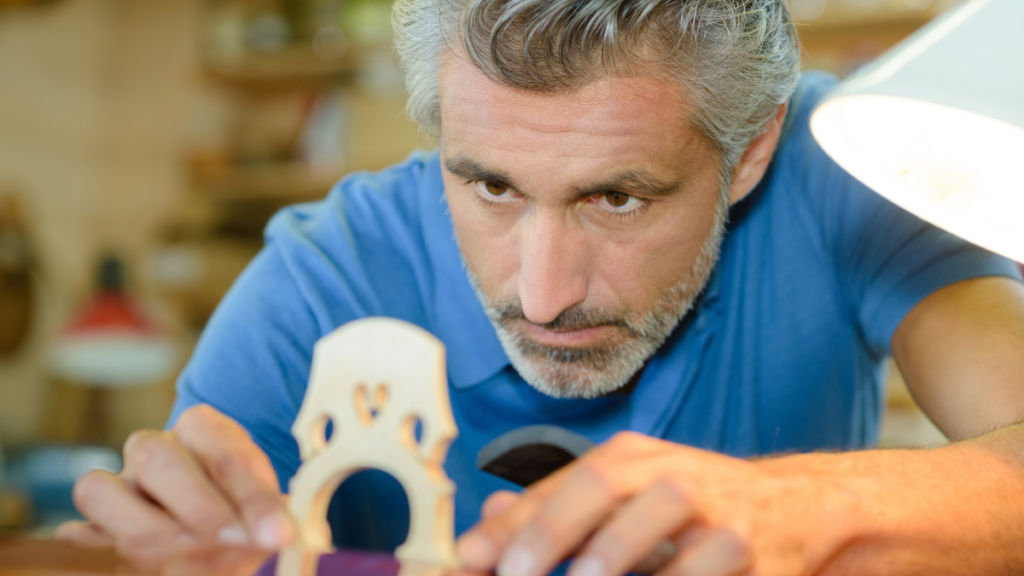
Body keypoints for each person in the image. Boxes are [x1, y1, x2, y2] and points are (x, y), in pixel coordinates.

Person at [57, 0, 1024, 574]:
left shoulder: (843, 175)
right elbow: (188, 529)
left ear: (750, 152)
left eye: (617, 197)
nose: (546, 294)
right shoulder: (330, 270)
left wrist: (810, 509)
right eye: (489, 185)